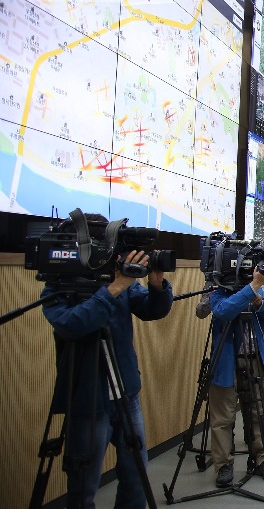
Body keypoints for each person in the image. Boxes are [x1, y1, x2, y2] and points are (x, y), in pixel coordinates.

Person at [41, 215, 173, 508]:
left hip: (126, 393)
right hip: (88, 399)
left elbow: (152, 310)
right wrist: (115, 288)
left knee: (136, 471)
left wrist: (157, 284)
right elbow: (71, 324)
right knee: (84, 482)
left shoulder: (119, 280)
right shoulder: (60, 286)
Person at [208, 262, 264, 488]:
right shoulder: (218, 289)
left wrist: (259, 300)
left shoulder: (260, 291)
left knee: (257, 412)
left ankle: (261, 459)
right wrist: (252, 288)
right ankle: (223, 465)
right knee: (223, 417)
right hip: (226, 362)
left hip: (253, 359)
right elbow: (224, 311)